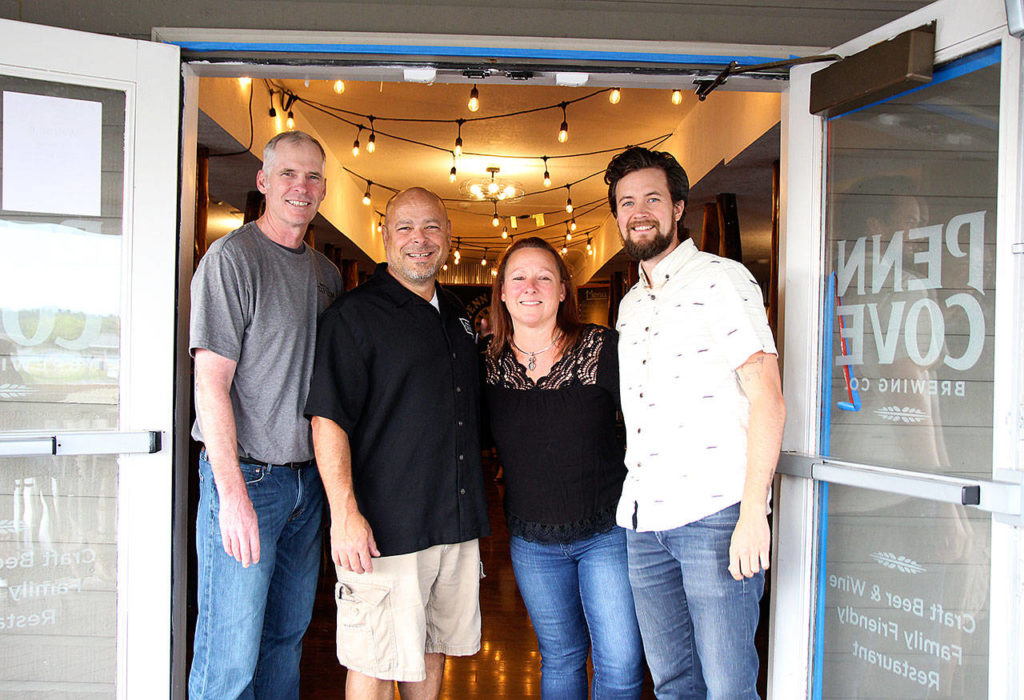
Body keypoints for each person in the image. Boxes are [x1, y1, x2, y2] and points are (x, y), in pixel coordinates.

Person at [604, 146, 786, 699]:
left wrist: (754, 513)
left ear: (678, 206)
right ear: (615, 215)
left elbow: (769, 398)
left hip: (715, 518)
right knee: (673, 683)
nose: (639, 211)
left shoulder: (721, 280)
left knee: (729, 688)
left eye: (652, 198)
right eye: (626, 202)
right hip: (642, 521)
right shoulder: (630, 304)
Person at [305, 187, 490, 700]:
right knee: (375, 657)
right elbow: (327, 420)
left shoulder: (455, 314)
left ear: (449, 238)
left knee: (431, 649)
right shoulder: (353, 317)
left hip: (451, 522)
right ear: (384, 236)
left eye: (431, 227)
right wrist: (345, 515)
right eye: (405, 228)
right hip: (384, 528)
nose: (419, 240)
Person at [188, 130, 341, 699]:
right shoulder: (233, 259)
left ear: (323, 188)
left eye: (312, 176)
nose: (300, 187)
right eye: (287, 174)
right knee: (229, 654)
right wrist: (231, 495)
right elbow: (211, 382)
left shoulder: (325, 275)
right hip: (248, 481)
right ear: (263, 181)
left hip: (307, 483)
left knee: (286, 637)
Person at [483, 236, 644, 699]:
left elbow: (648, 423)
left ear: (561, 292)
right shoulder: (485, 363)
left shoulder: (601, 348)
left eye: (543, 277)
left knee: (620, 661)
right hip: (532, 542)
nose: (530, 286)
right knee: (561, 657)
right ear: (502, 292)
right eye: (518, 277)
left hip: (605, 534)